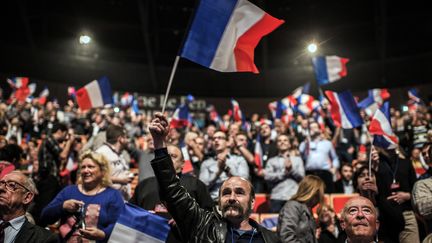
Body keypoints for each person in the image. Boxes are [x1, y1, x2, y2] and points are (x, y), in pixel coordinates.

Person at [148, 112, 279, 243]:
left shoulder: (270, 239)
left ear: (252, 202)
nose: (232, 198)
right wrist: (159, 143)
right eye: (226, 193)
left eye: (239, 193)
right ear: (219, 201)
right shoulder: (203, 225)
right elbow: (173, 192)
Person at [129, 144, 213, 243]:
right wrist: (142, 215)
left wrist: (189, 220)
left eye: (173, 156)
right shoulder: (144, 185)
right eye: (165, 156)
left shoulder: (196, 184)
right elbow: (130, 214)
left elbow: (209, 217)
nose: (167, 159)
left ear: (182, 164)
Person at [40, 151, 124, 243]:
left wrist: (103, 234)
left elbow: (120, 226)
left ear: (102, 171)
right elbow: (44, 216)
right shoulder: (69, 191)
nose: (85, 170)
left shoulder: (112, 195)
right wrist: (62, 206)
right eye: (83, 167)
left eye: (91, 167)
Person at [0, 171, 58, 243]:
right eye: (0, 184)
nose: (1, 188)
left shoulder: (45, 239)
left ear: (27, 197)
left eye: (11, 185)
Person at [199, 130, 249, 201]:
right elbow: (202, 187)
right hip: (214, 202)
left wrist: (227, 169)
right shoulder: (206, 163)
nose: (216, 140)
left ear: (228, 142)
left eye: (220, 138)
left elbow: (245, 182)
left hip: (235, 200)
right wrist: (218, 172)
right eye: (214, 139)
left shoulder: (239, 160)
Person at [263, 134, 305, 212]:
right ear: (277, 145)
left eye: (285, 140)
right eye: (279, 141)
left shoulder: (297, 160)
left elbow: (302, 177)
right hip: (277, 197)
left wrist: (291, 170)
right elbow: (267, 176)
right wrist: (284, 173)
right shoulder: (272, 161)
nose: (282, 142)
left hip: (293, 196)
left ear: (289, 144)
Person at [277, 175, 325, 243]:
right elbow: (287, 236)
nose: (320, 200)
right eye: (319, 196)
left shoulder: (308, 210)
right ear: (313, 193)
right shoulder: (292, 207)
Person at [299, 121, 340, 193]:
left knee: (326, 193)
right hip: (310, 173)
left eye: (315, 127)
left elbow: (335, 158)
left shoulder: (327, 143)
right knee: (309, 194)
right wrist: (307, 140)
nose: (313, 129)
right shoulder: (305, 143)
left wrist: (334, 168)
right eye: (311, 128)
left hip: (325, 173)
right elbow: (300, 153)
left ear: (320, 129)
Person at [96, 124, 133, 200]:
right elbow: (96, 176)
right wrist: (120, 180)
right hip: (107, 200)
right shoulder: (101, 153)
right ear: (120, 139)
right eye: (126, 137)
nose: (127, 140)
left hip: (121, 199)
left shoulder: (119, 153)